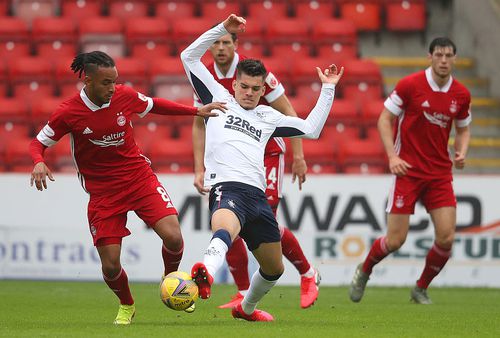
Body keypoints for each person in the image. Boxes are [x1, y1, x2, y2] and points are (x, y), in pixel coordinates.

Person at [29, 51, 224, 325]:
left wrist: (195, 110)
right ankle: (126, 304)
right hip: (103, 192)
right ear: (87, 81)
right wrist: (38, 161)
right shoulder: (68, 112)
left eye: (114, 81)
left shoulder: (123, 96)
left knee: (174, 238)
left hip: (138, 178)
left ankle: (170, 282)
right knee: (110, 265)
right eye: (106, 82)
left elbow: (155, 104)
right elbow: (38, 143)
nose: (112, 88)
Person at [181, 14, 343, 321]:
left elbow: (311, 129)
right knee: (224, 228)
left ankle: (247, 308)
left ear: (262, 88)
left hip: (258, 198)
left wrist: (328, 89)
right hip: (227, 188)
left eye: (256, 89)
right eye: (244, 86)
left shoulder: (268, 118)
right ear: (235, 83)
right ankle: (206, 275)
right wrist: (222, 29)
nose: (249, 93)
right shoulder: (218, 97)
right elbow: (187, 56)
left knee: (274, 268)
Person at [349, 37, 471, 304]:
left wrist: (461, 150)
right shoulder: (410, 85)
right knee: (395, 241)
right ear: (429, 57)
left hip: (439, 174)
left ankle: (420, 288)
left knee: (447, 238)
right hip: (408, 171)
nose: (443, 60)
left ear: (454, 59)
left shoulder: (461, 94)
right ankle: (365, 270)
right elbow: (384, 118)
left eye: (448, 56)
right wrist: (392, 157)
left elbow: (463, 128)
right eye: (439, 55)